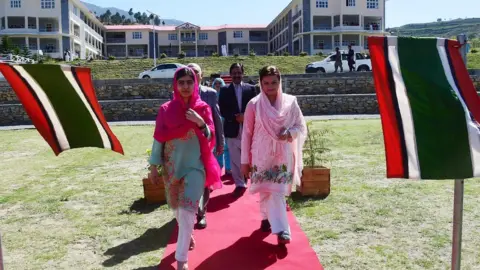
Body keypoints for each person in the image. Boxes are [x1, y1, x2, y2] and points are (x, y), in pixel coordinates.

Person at [148, 67, 222, 270]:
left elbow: (210, 137)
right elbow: (158, 139)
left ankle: (181, 260)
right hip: (172, 167)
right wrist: (154, 166)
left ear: (195, 83)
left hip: (195, 167)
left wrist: (200, 123)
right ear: (176, 85)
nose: (186, 86)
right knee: (177, 209)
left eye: (190, 82)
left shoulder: (203, 108)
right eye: (182, 83)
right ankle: (187, 234)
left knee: (188, 209)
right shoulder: (166, 110)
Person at [240, 65, 307, 245]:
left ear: (280, 82)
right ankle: (265, 217)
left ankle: (282, 230)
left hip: (282, 152)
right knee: (265, 188)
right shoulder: (253, 104)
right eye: (266, 82)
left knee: (276, 191)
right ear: (260, 83)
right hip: (260, 153)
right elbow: (246, 133)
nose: (270, 86)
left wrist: (289, 134)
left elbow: (300, 126)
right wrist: (244, 161)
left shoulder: (290, 102)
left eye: (274, 82)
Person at [187, 63, 224, 229]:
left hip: (207, 144)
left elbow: (217, 119)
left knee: (204, 181)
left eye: (196, 73)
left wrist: (220, 142)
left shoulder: (210, 94)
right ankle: (188, 212)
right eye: (190, 73)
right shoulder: (178, 92)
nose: (193, 76)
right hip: (185, 146)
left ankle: (201, 214)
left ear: (201, 76)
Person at [218, 63, 257, 197]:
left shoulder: (251, 89)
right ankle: (240, 184)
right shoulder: (224, 90)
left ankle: (249, 176)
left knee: (248, 156)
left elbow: (256, 108)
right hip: (232, 128)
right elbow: (222, 109)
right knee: (235, 159)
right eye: (234, 73)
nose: (236, 75)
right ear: (230, 74)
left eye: (239, 72)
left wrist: (245, 117)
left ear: (243, 73)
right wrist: (235, 118)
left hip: (248, 129)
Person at [212, 77, 232, 175]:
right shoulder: (211, 95)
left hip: (226, 123)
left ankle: (228, 167)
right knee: (218, 145)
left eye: (220, 83)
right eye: (216, 83)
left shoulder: (227, 95)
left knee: (227, 146)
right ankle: (219, 166)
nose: (218, 85)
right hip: (215, 123)